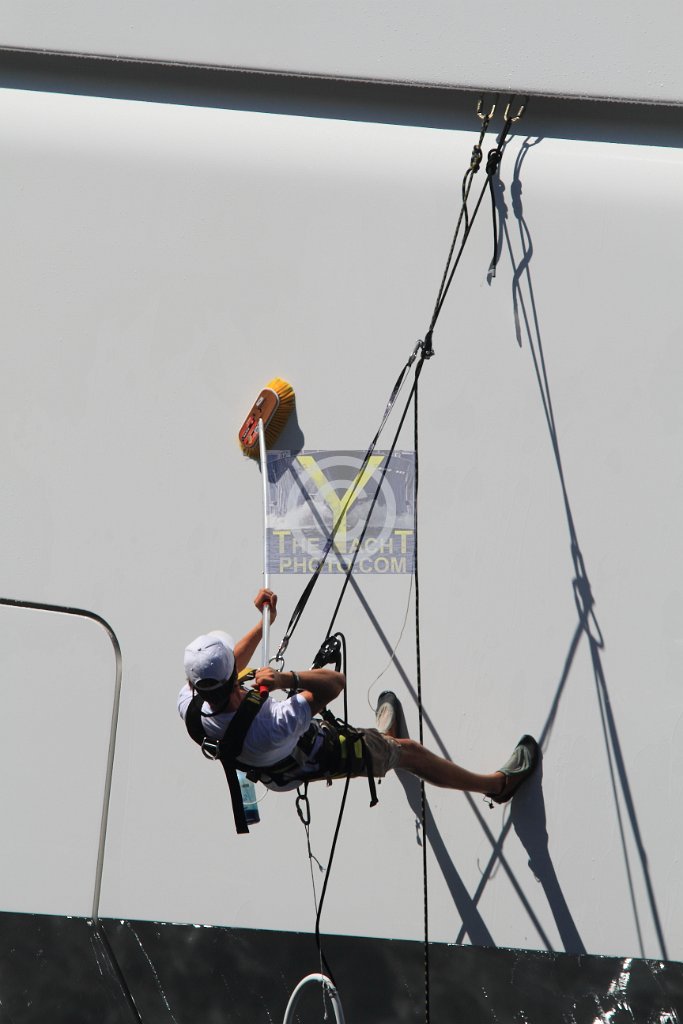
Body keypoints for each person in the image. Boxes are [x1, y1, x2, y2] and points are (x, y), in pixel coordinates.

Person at [177, 588, 539, 804]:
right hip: (311, 753)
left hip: (273, 765)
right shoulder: (273, 723)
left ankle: (383, 736)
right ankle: (496, 785)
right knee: (408, 751)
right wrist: (286, 678)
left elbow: (232, 665)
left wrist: (264, 623)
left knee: (382, 742)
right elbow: (334, 684)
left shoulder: (190, 704)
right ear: (229, 679)